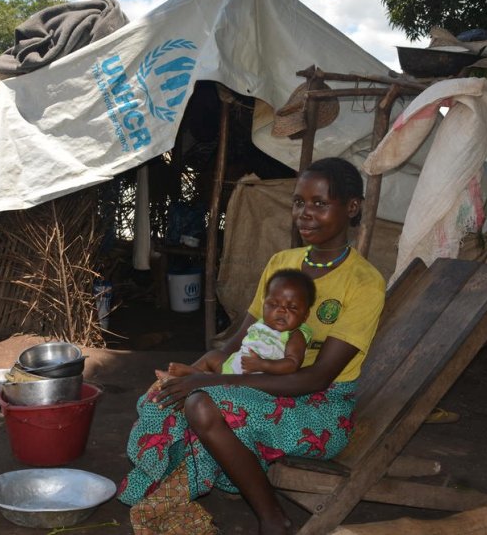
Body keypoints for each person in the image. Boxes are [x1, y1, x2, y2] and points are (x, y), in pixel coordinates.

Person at [119, 157, 387, 535]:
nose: (304, 214)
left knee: (201, 402)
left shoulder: (363, 282)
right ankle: (176, 485)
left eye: (319, 204)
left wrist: (208, 385)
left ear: (352, 207)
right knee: (164, 396)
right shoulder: (283, 263)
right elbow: (239, 341)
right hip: (256, 384)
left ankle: (272, 518)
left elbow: (318, 378)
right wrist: (197, 370)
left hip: (318, 409)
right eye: (298, 202)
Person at [168, 268, 315, 376]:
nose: (282, 310)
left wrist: (263, 365)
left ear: (305, 315)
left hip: (259, 379)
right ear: (264, 304)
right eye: (273, 304)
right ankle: (181, 376)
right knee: (212, 356)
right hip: (235, 367)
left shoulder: (295, 335)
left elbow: (293, 363)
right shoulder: (262, 323)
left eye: (292, 307)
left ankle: (195, 377)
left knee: (214, 379)